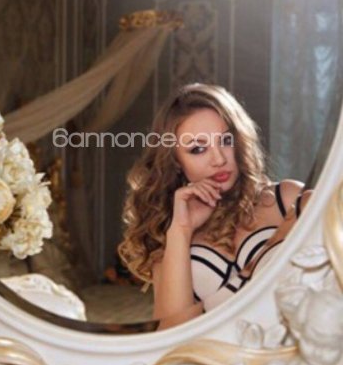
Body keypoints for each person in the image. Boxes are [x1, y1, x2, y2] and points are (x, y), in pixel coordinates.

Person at [118, 83, 311, 325]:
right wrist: (181, 231)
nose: (219, 159)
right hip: (221, 351)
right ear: (176, 162)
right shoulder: (170, 236)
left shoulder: (288, 198)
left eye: (226, 140)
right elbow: (171, 332)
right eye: (198, 149)